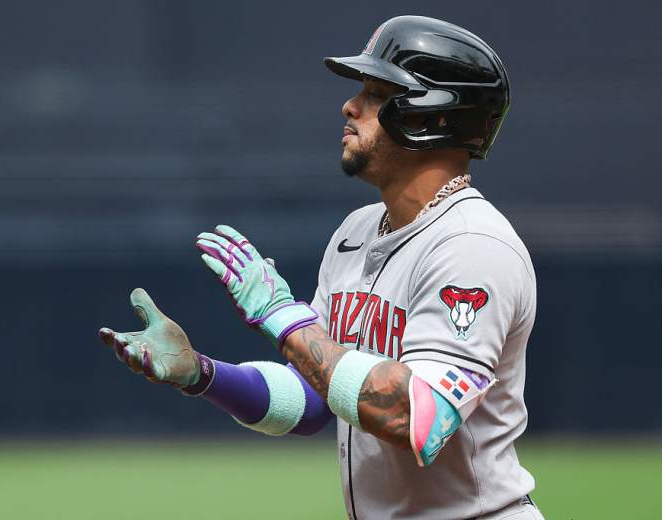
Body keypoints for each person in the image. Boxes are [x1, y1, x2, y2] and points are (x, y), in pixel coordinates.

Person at [99, 15, 543, 520]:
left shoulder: (471, 246)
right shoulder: (357, 230)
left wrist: (282, 316)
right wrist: (202, 374)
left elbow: (416, 418)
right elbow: (315, 398)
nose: (350, 106)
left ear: (430, 117)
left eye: (377, 94)